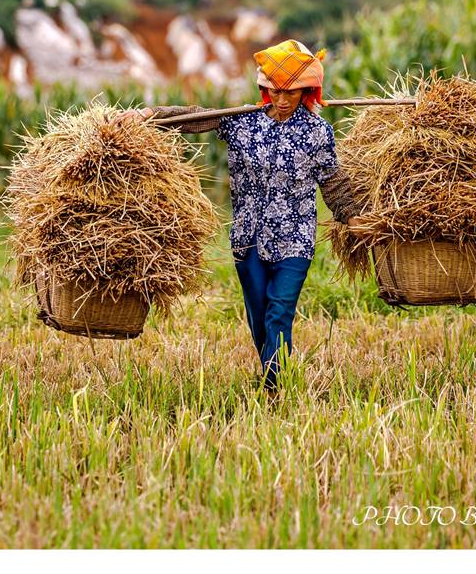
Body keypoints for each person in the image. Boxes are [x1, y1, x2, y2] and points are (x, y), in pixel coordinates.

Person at [113, 39, 357, 392]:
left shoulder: (317, 132)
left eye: (292, 92)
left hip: (294, 238)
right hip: (249, 237)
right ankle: (272, 371)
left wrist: (351, 216)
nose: (283, 99)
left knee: (279, 312)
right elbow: (195, 118)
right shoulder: (242, 122)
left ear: (306, 91)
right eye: (275, 91)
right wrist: (149, 115)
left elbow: (332, 181)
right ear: (264, 89)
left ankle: (275, 386)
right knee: (258, 316)